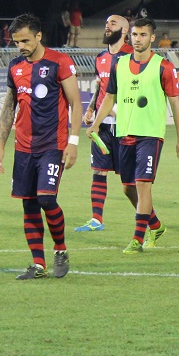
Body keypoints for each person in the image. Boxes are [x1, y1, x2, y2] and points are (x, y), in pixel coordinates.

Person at [88, 17, 179, 254]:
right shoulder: (119, 64)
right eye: (135, 34)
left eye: (143, 35)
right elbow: (109, 97)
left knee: (143, 184)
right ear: (130, 36)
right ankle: (156, 226)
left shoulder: (164, 67)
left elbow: (176, 106)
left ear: (152, 38)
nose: (138, 39)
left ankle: (137, 239)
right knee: (128, 188)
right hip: (124, 133)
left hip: (150, 135)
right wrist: (96, 123)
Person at [0, 14, 82, 279]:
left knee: (46, 198)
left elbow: (76, 103)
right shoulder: (15, 66)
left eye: (25, 40)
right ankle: (38, 264)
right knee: (29, 204)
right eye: (16, 42)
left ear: (39, 36)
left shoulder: (59, 62)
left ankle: (60, 249)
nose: (20, 46)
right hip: (23, 148)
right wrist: (1, 145)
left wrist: (73, 142)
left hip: (52, 145)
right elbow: (10, 106)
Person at [75, 15, 139, 232]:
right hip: (102, 126)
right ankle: (96, 220)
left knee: (129, 183)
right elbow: (100, 86)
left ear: (125, 30)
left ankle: (147, 219)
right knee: (98, 171)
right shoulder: (101, 57)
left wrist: (117, 110)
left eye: (113, 23)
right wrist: (91, 108)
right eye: (106, 23)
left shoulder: (132, 56)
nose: (107, 26)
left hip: (125, 126)